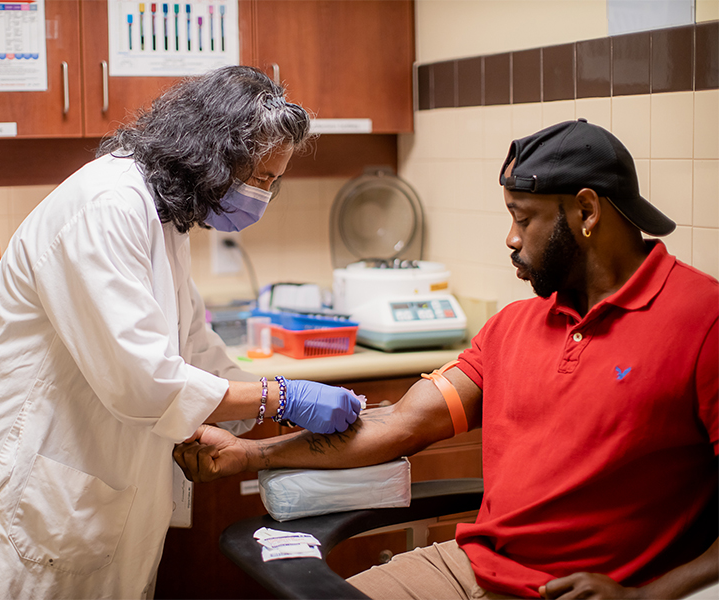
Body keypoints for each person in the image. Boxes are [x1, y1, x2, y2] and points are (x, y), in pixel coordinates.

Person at [174, 119, 719, 600]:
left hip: (588, 589)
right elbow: (403, 424)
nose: (509, 238)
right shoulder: (513, 327)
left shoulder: (702, 323)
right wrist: (248, 455)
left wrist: (647, 596)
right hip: (471, 567)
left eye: (523, 218)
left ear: (586, 211)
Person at [0, 66, 362, 599]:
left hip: (91, 479)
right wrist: (281, 398)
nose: (263, 196)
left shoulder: (166, 212)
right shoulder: (109, 205)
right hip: (29, 472)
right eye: (259, 178)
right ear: (212, 153)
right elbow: (144, 380)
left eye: (272, 183)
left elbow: (193, 347)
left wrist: (236, 419)